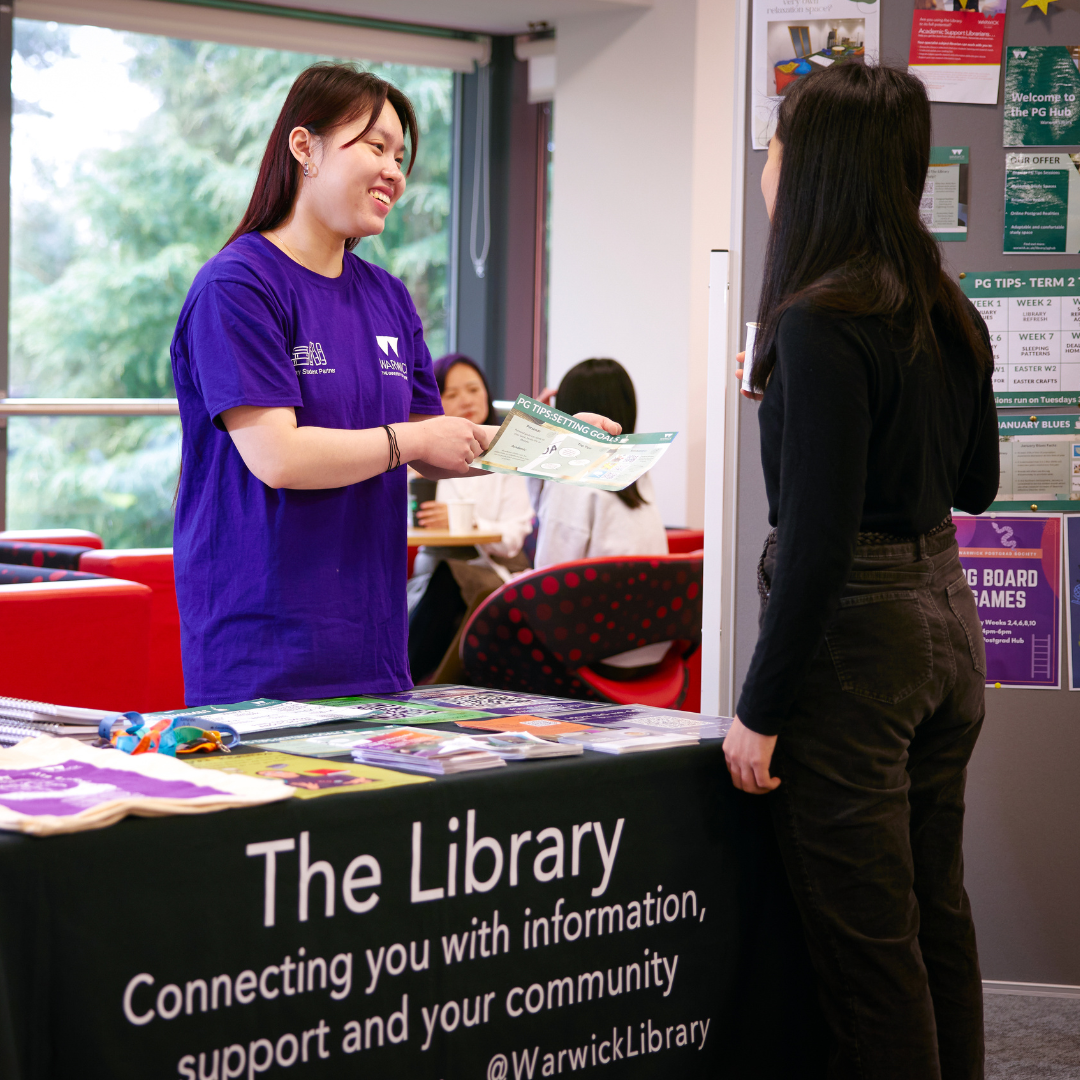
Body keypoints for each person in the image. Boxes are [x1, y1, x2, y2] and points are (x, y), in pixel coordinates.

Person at [723, 65, 998, 1079]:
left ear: (813, 169)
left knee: (870, 958)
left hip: (859, 646)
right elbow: (979, 483)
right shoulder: (943, 304)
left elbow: (820, 545)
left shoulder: (817, 321)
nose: (768, 166)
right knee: (937, 920)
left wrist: (758, 709)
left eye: (778, 146)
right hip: (946, 625)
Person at [170, 64, 493, 706]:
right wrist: (407, 440)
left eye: (400, 155)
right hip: (261, 648)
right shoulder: (238, 286)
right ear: (303, 147)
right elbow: (279, 458)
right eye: (375, 146)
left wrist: (554, 445)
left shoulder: (388, 296)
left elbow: (431, 442)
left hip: (373, 642)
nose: (395, 172)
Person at [406, 354, 533, 682]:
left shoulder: (507, 457)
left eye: (473, 389)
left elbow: (513, 536)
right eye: (451, 393)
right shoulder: (417, 459)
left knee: (454, 582)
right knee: (444, 580)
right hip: (433, 573)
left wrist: (466, 523)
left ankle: (410, 678)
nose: (465, 400)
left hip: (490, 570)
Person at [530, 359, 668, 569]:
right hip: (650, 598)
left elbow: (549, 569)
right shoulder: (637, 468)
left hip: (594, 599)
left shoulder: (570, 477)